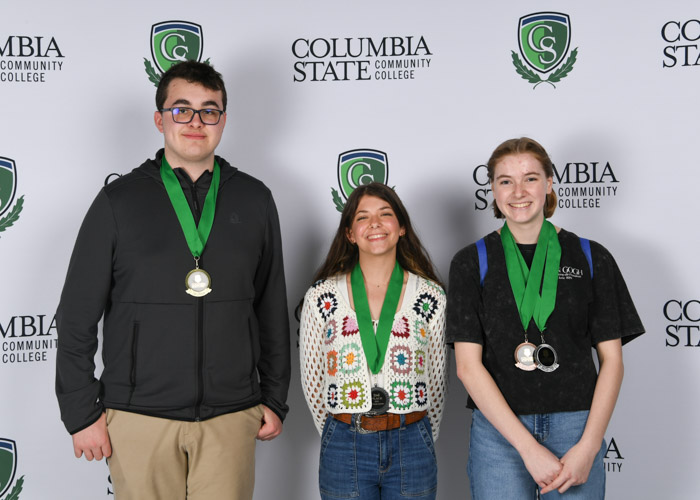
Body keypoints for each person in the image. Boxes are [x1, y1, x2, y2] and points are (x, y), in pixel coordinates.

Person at [55, 60, 290, 500]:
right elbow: (75, 318)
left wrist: (274, 399)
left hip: (230, 416)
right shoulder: (117, 201)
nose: (196, 122)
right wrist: (80, 413)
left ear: (223, 119)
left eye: (209, 110)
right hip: (140, 419)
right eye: (182, 109)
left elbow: (271, 310)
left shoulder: (255, 199)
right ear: (160, 119)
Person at [446, 137, 645, 499]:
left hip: (577, 429)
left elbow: (612, 362)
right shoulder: (471, 261)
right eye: (505, 180)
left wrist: (590, 445)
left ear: (550, 183)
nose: (518, 191)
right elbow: (467, 367)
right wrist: (527, 447)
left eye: (531, 178)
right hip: (499, 435)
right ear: (492, 189)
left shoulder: (591, 256)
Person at [299, 182, 448, 500]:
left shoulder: (430, 296)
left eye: (385, 214)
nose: (375, 224)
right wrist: (344, 425)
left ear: (402, 227)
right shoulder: (322, 297)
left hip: (412, 438)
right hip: (345, 441)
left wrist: (417, 431)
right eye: (362, 217)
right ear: (350, 234)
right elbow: (313, 382)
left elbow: (436, 380)